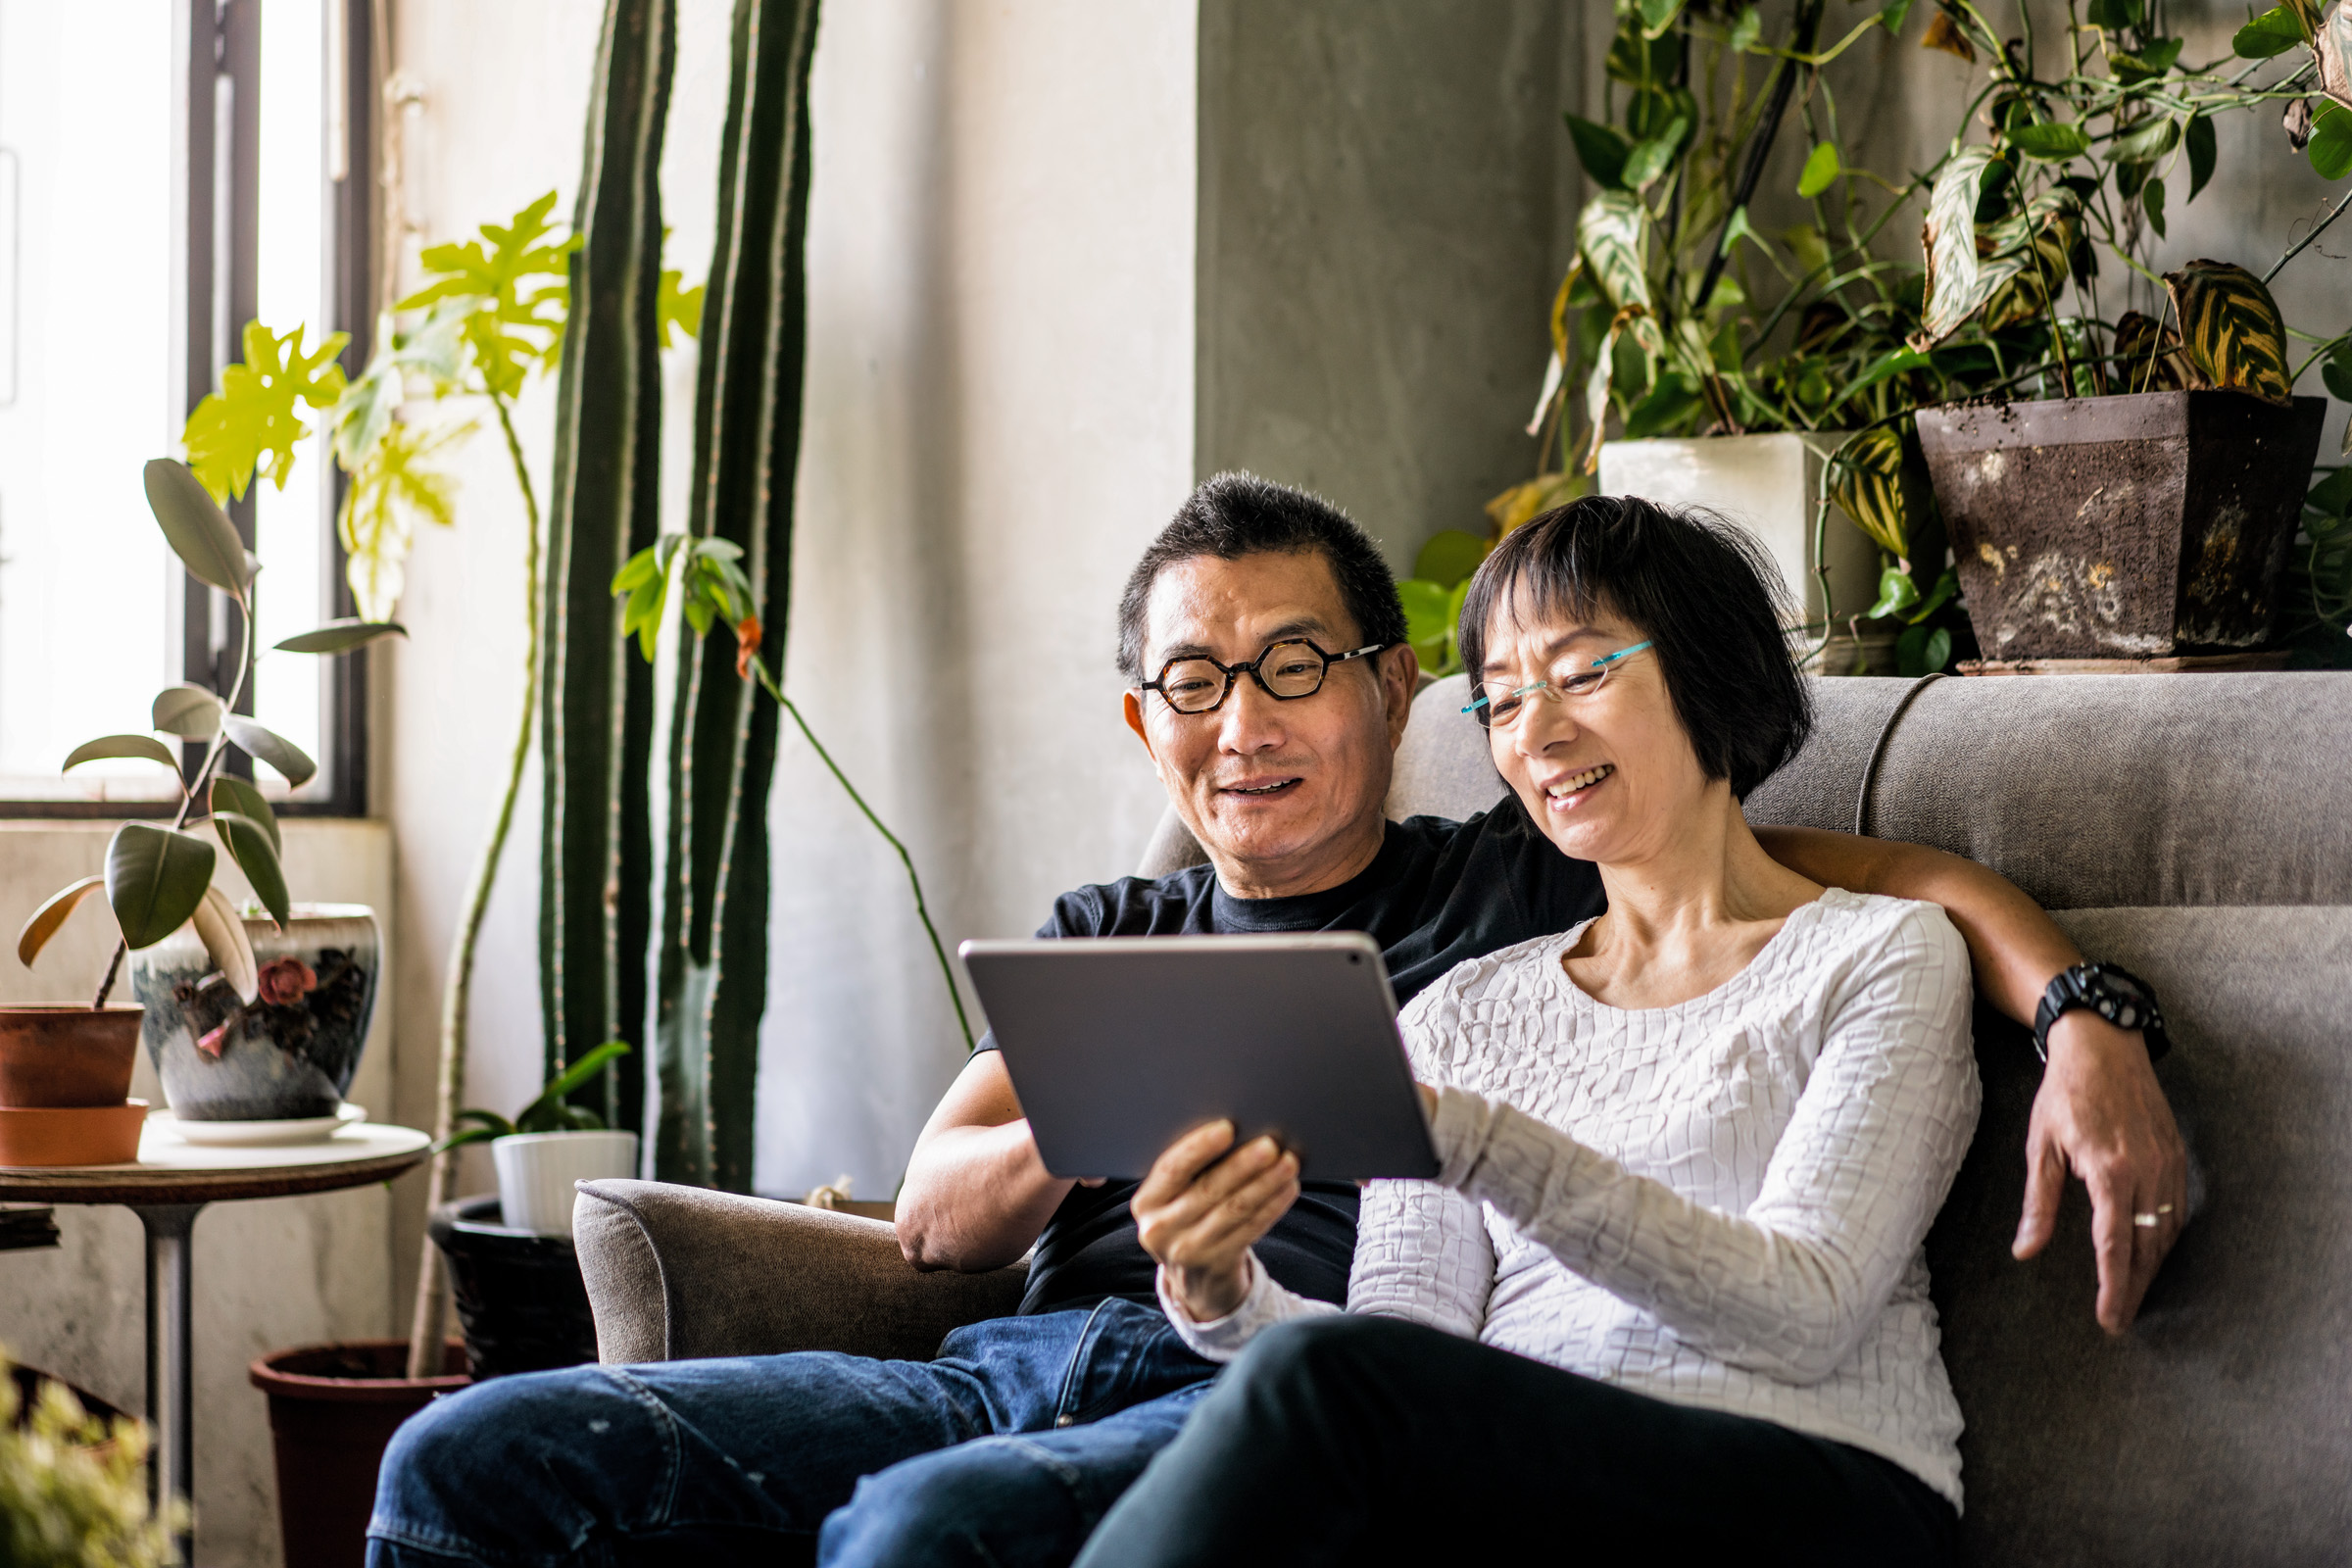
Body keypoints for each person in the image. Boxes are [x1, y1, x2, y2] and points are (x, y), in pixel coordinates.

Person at [368, 474, 2183, 1568]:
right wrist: (1188, 1199)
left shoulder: (1513, 890)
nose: (1243, 721)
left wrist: (2086, 1011)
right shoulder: (1207, 950)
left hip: (1341, 1420)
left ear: (1388, 695)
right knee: (469, 1455)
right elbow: (946, 1224)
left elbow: (1833, 878)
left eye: (1295, 667)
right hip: (1072, 1360)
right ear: (1145, 723)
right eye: (1194, 680)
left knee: (939, 1526)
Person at [1080, 496, 1981, 1566]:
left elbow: (1807, 1311)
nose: (1537, 732)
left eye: (1582, 674)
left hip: (1812, 1484)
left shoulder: (1880, 956)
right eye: (1502, 700)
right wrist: (1220, 1294)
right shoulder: (1458, 1013)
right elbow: (1400, 1346)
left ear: (1708, 668)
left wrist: (1474, 1140)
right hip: (1521, 1486)